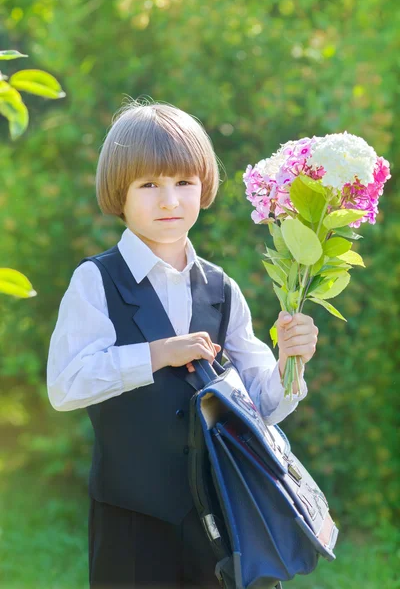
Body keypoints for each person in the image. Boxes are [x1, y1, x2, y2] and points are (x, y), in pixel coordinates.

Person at [47, 99, 319, 588]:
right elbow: (65, 385)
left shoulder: (221, 288)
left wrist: (289, 362)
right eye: (149, 185)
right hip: (130, 519)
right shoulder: (96, 281)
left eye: (183, 183)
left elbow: (258, 404)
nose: (169, 200)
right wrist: (156, 354)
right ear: (120, 193)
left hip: (220, 517)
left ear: (204, 187)